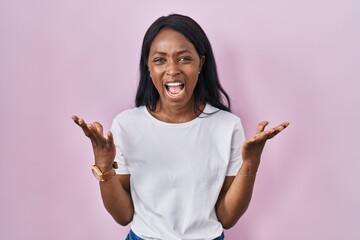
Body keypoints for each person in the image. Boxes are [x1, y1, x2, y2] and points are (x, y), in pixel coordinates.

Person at [72, 14, 289, 240]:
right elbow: (123, 215)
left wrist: (251, 163)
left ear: (200, 63)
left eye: (184, 59)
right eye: (160, 60)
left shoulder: (227, 126)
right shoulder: (126, 125)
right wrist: (105, 167)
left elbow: (227, 218)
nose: (172, 69)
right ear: (148, 66)